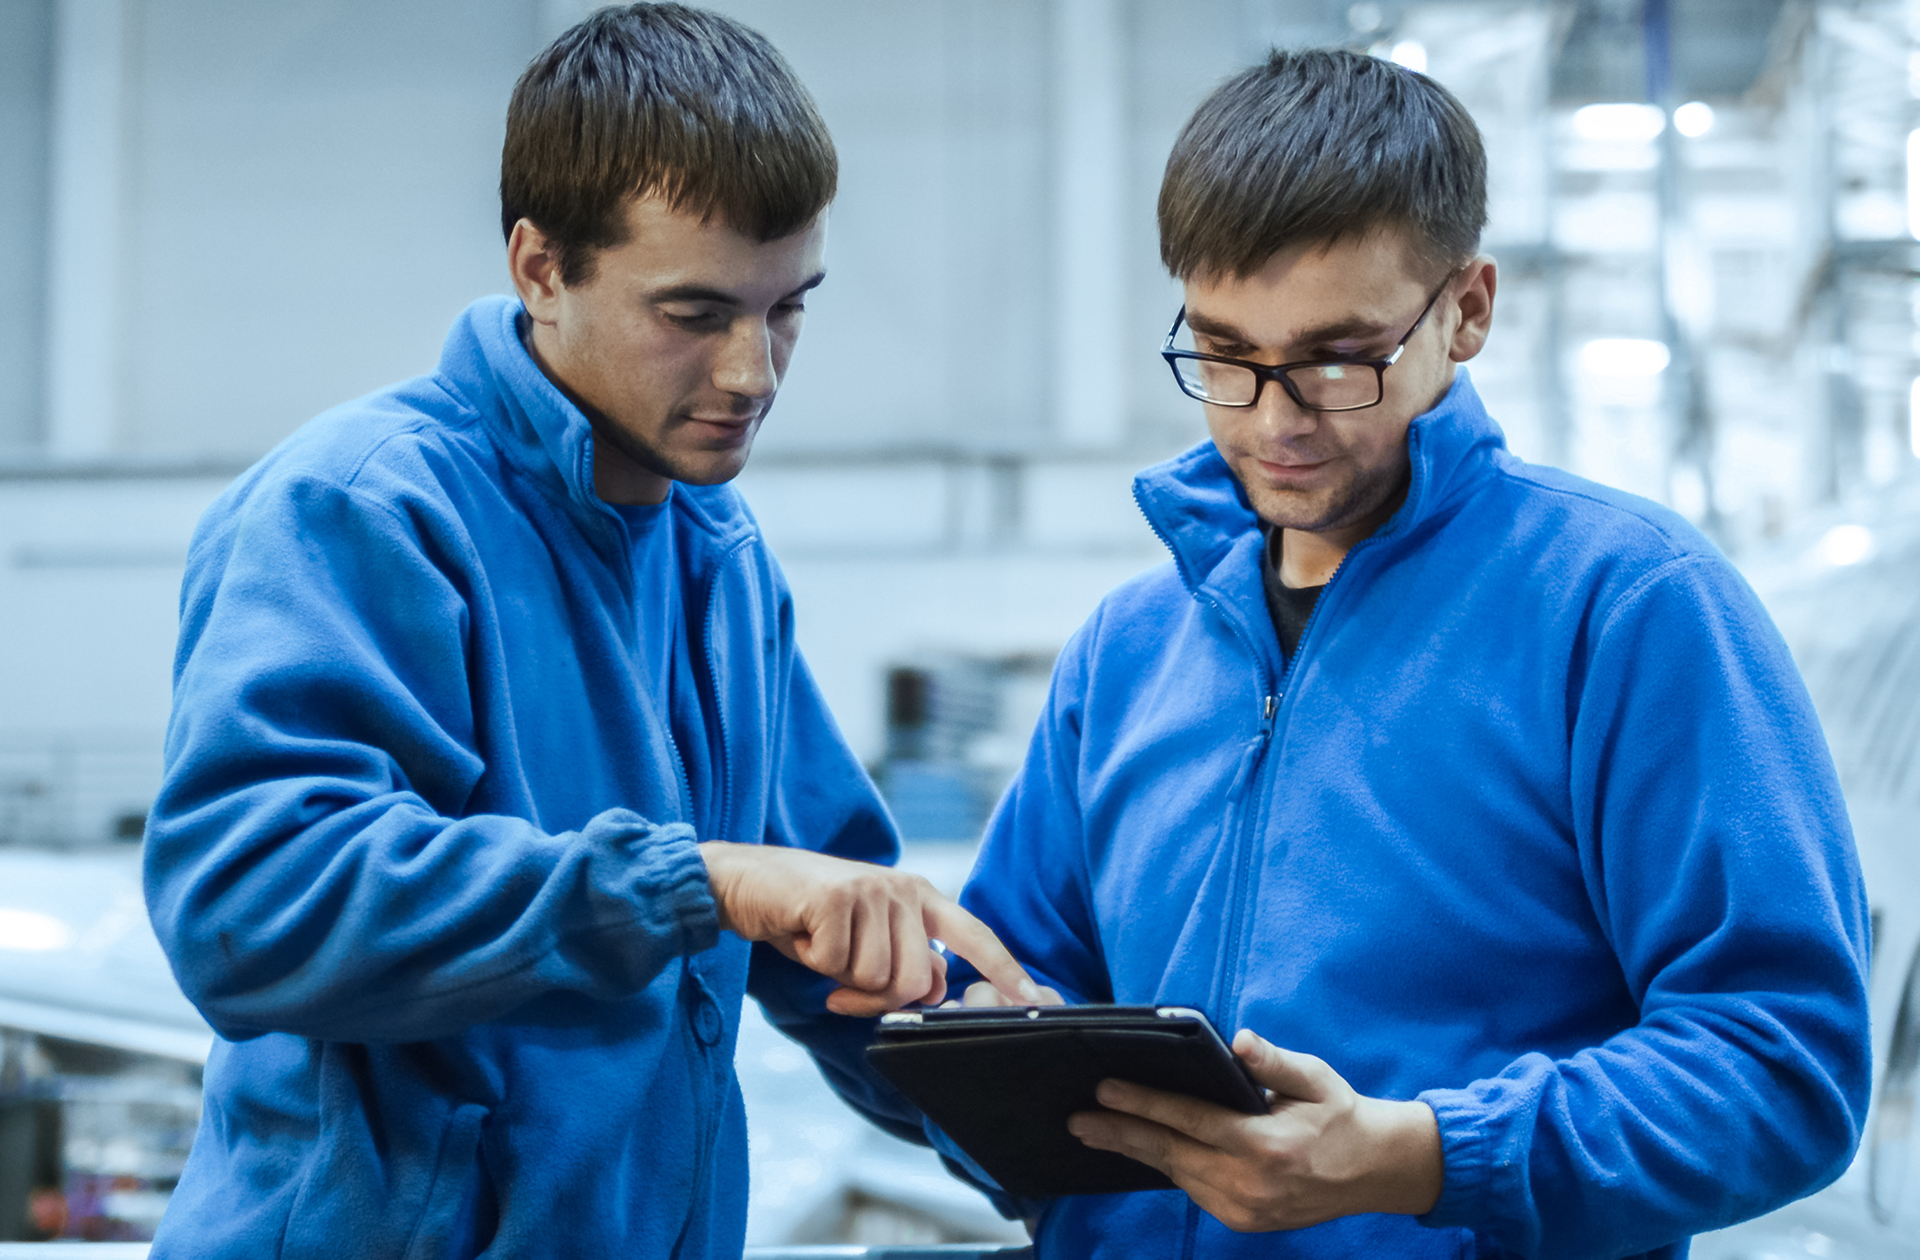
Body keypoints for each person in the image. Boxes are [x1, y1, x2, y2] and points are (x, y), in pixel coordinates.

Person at [140, 7, 1039, 1258]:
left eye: (788, 309)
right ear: (539, 267)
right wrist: (694, 882)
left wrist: (1071, 1115)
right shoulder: (361, 510)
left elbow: (834, 940)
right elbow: (252, 906)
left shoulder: (719, 561)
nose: (755, 374)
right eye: (695, 313)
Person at [943, 48, 1871, 1259]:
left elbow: (1782, 1062)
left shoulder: (1627, 608)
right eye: (1225, 353)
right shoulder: (1127, 652)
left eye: (1339, 358)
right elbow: (1007, 983)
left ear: (1468, 310)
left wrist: (1431, 1159)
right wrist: (966, 1044)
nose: (1275, 421)